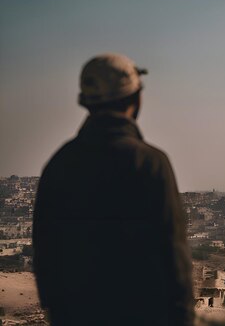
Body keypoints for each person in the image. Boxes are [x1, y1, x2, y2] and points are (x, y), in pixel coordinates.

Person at [32, 53, 194, 325]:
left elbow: (45, 251)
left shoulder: (60, 163)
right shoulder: (150, 163)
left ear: (85, 102)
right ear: (135, 99)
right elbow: (173, 254)